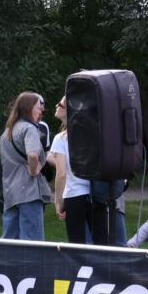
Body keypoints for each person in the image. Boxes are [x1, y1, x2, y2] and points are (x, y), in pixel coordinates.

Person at [0, 92, 52, 241]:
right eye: (38, 107)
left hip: (10, 192)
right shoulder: (30, 129)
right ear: (28, 108)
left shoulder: (7, 132)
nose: (41, 111)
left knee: (10, 242)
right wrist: (34, 169)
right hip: (29, 192)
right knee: (32, 242)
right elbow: (33, 155)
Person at [48, 96, 92, 243]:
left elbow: (61, 174)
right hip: (94, 194)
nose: (56, 105)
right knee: (99, 242)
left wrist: (58, 201)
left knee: (76, 243)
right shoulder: (90, 135)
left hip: (73, 194)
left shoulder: (61, 139)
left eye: (60, 104)